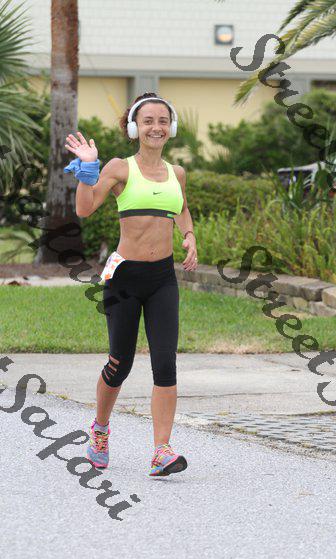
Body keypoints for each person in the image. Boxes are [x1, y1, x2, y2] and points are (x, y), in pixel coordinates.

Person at [64, 92, 198, 476]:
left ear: (171, 128)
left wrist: (189, 235)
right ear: (134, 128)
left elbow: (181, 207)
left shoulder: (177, 173)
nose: (156, 127)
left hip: (162, 279)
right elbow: (84, 208)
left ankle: (161, 451)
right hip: (124, 278)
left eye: (162, 121)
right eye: (147, 121)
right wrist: (87, 171)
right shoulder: (120, 168)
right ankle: (100, 430)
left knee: (165, 363)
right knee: (119, 363)